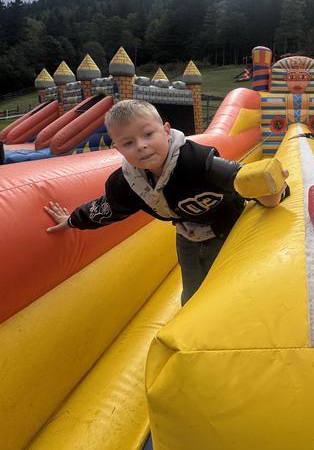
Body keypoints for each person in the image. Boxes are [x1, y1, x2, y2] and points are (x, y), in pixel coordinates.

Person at [44, 100, 289, 305]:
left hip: (230, 228)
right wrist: (72, 220)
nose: (141, 146)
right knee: (192, 295)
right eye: (128, 143)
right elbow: (107, 209)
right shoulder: (128, 184)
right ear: (118, 149)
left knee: (228, 290)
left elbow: (243, 179)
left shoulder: (198, 162)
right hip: (188, 236)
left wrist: (277, 186)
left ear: (166, 131)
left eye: (148, 134)